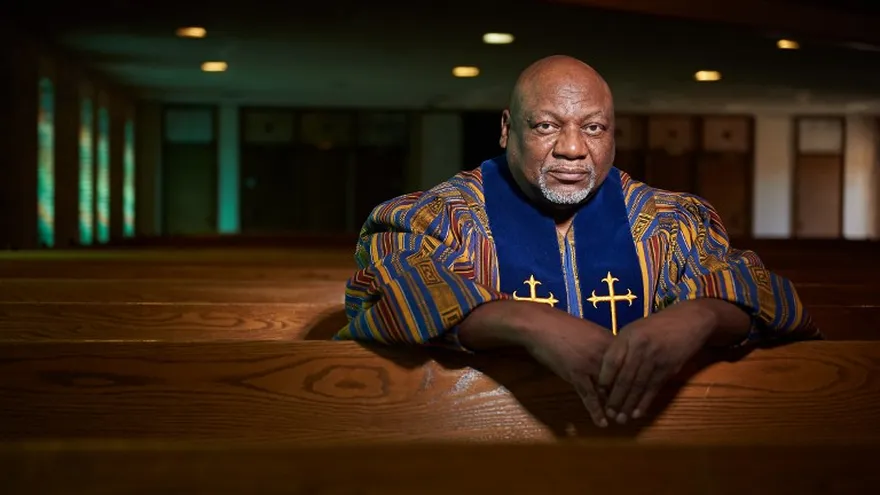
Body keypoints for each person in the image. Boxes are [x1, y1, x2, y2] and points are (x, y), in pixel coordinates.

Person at [335, 55, 820, 428]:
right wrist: (526, 322)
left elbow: (763, 294)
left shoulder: (671, 222)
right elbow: (386, 289)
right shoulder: (436, 218)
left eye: (593, 128)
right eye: (547, 126)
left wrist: (701, 314)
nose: (572, 149)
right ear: (507, 130)